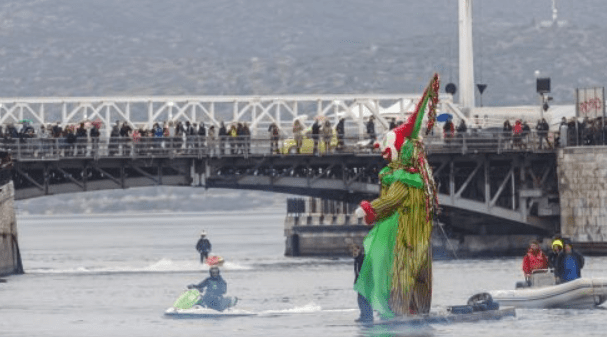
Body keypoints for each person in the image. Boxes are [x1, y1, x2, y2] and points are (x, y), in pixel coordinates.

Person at [352, 244, 373, 322]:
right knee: (361, 300)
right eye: (353, 251)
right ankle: (364, 315)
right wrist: (355, 282)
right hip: (360, 283)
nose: (354, 252)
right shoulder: (356, 260)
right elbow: (356, 272)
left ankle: (368, 316)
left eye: (356, 250)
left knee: (364, 299)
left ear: (359, 250)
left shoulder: (363, 258)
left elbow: (365, 270)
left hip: (365, 283)